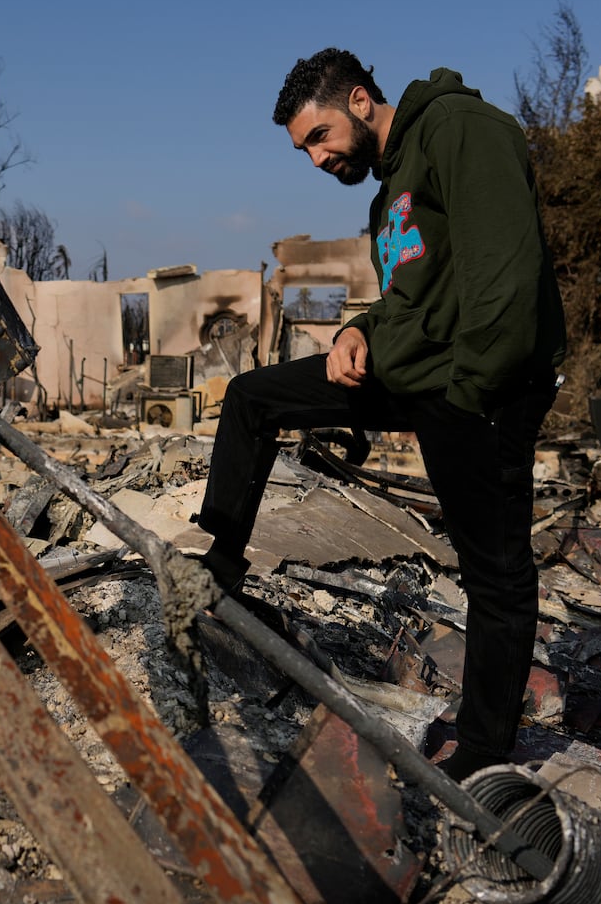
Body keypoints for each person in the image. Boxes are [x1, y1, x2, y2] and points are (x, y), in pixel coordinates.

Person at [194, 48, 567, 780]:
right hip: (416, 373)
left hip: (479, 390)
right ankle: (219, 570)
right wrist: (356, 330)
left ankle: (487, 749)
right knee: (252, 398)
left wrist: (468, 399)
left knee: (494, 569)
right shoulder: (388, 191)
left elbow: (506, 278)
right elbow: (411, 300)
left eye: (320, 137)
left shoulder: (464, 130)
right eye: (306, 148)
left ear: (361, 101)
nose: (316, 158)